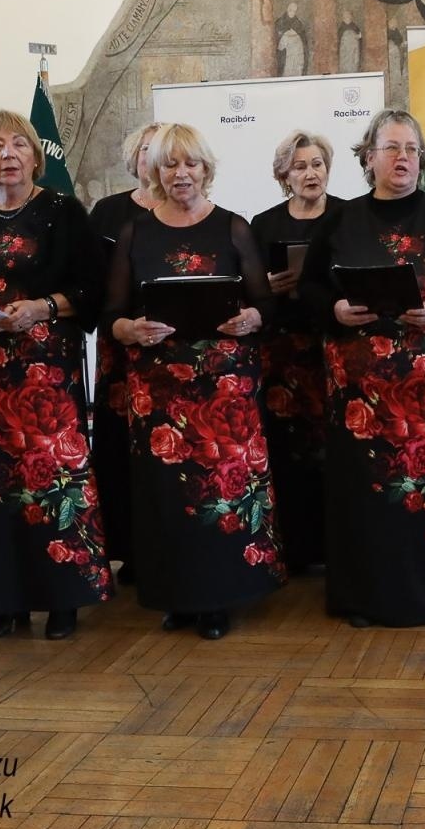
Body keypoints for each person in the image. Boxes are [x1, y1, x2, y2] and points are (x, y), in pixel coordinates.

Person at [299, 109, 425, 627]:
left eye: (411, 149)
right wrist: (334, 310)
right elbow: (311, 288)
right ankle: (363, 598)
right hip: (362, 397)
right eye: (391, 148)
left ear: (422, 159)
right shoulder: (340, 218)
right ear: (368, 157)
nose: (402, 158)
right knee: (367, 495)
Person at [0, 110, 113, 640]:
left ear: (36, 155)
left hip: (45, 373)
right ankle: (1, 602)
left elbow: (90, 289)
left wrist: (45, 307)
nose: (6, 155)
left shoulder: (63, 210)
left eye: (17, 145)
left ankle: (63, 600)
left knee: (53, 479)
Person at [103, 123, 281, 640]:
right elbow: (110, 313)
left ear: (206, 168)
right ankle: (176, 596)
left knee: (220, 490)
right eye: (170, 164)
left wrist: (251, 319)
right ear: (155, 171)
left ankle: (218, 598)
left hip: (225, 389)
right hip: (158, 390)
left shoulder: (233, 227)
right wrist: (129, 328)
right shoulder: (136, 232)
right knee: (169, 497)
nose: (182, 174)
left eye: (191, 164)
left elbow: (264, 303)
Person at [250, 130, 344, 572]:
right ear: (284, 175)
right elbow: (248, 291)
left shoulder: (347, 215)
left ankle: (334, 546)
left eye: (318, 164)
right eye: (301, 166)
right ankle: (293, 548)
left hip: (332, 344)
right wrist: (265, 288)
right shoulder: (264, 224)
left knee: (332, 448)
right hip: (282, 350)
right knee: (286, 450)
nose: (311, 173)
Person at [87, 122, 165, 586]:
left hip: (169, 342)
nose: (152, 162)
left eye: (162, 154)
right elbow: (91, 280)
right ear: (134, 158)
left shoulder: (187, 211)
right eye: (145, 152)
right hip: (121, 344)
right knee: (120, 448)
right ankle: (125, 549)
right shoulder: (108, 211)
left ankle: (162, 546)